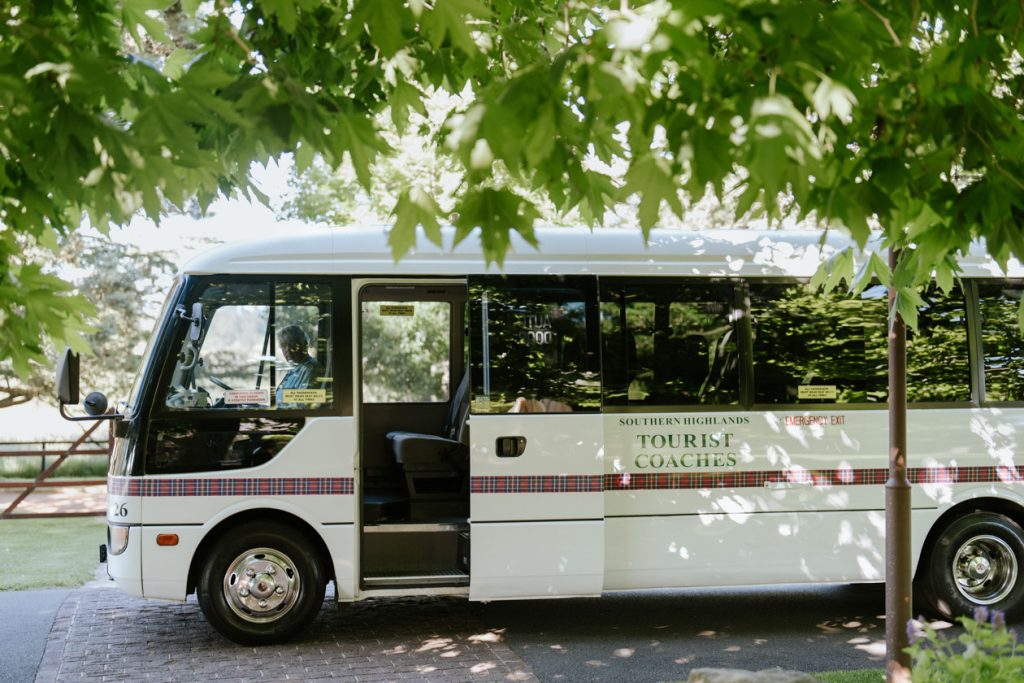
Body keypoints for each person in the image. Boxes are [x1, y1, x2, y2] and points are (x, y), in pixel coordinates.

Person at [276, 325, 324, 407]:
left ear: (303, 344)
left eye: (291, 344)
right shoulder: (293, 370)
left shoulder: (311, 369)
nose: (287, 350)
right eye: (284, 346)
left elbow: (303, 405)